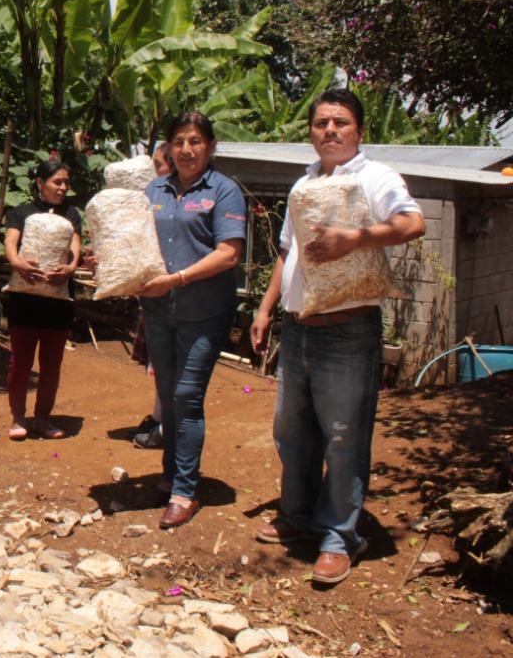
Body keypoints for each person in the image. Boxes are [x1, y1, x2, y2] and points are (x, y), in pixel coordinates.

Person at [250, 88, 423, 585]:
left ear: (359, 131)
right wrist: (265, 309)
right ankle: (298, 515)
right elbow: (289, 252)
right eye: (321, 122)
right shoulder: (305, 184)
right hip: (299, 326)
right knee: (292, 429)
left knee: (344, 437)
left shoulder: (375, 177)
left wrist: (357, 237)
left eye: (340, 122)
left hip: (348, 329)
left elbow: (412, 223)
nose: (330, 130)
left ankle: (338, 538)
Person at [135, 113, 246, 530]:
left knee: (186, 394)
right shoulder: (154, 190)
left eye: (195, 141)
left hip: (205, 311)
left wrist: (177, 279)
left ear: (210, 146)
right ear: (169, 148)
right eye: (179, 141)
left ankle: (185, 490)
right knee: (166, 392)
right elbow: (137, 241)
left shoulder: (224, 191)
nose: (186, 149)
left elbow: (229, 253)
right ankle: (170, 474)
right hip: (159, 310)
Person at [3, 160, 82, 441]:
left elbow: (74, 246)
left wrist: (69, 270)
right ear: (40, 183)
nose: (62, 187)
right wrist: (18, 264)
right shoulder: (21, 213)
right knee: (20, 361)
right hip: (24, 298)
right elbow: (11, 242)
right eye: (56, 182)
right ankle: (17, 418)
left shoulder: (72, 215)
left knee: (51, 364)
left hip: (58, 299)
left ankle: (42, 418)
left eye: (65, 182)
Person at [132, 143, 173, 450]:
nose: (153, 172)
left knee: (169, 368)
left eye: (157, 165)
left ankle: (166, 426)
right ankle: (159, 417)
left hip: (175, 300)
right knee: (160, 365)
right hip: (156, 298)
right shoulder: (153, 197)